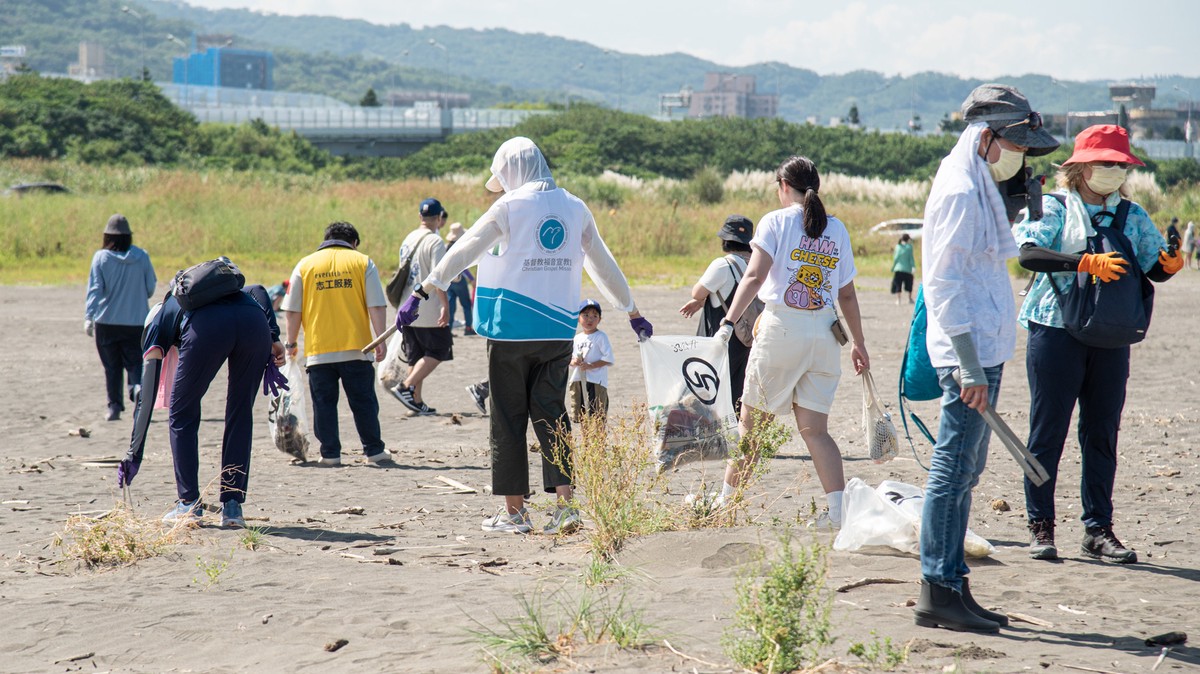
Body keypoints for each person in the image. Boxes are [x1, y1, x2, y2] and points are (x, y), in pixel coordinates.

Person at [394, 136, 652, 535]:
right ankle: (566, 509)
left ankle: (515, 514)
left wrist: (425, 288)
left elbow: (466, 249)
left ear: (512, 171)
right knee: (552, 415)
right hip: (556, 332)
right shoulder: (575, 207)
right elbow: (602, 263)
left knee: (507, 418)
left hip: (511, 331)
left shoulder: (509, 207)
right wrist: (630, 309)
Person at [913, 84, 1058, 634]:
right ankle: (937, 586)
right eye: (1016, 144)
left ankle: (953, 581)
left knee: (967, 471)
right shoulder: (956, 189)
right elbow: (943, 282)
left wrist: (1024, 197)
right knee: (951, 470)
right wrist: (969, 365)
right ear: (986, 136)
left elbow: (992, 253)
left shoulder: (976, 182)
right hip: (965, 352)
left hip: (983, 348)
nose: (1020, 154)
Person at [1013, 124, 1182, 565]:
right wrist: (1082, 262)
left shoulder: (1133, 215)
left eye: (1120, 164)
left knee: (1102, 432)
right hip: (1054, 329)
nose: (1113, 170)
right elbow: (1028, 254)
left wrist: (1169, 265)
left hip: (1110, 333)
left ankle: (1097, 530)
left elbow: (1152, 268)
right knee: (1047, 431)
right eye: (1105, 162)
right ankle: (1040, 524)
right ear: (1080, 166)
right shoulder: (1052, 206)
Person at [714, 155, 869, 529]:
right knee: (816, 430)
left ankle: (725, 505)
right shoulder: (837, 229)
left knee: (752, 427)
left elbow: (753, 276)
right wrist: (859, 345)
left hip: (783, 328)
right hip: (825, 335)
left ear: (783, 186)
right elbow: (846, 294)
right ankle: (837, 514)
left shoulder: (775, 221)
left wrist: (728, 321)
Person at [143, 269, 285, 528]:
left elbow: (148, 384)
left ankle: (188, 505)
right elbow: (260, 291)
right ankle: (232, 507)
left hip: (206, 329)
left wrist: (134, 451)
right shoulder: (235, 290)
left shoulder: (162, 313)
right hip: (254, 324)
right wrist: (274, 337)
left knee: (181, 414)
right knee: (240, 412)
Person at [282, 222, 391, 466]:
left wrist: (290, 344)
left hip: (319, 351)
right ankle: (374, 452)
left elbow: (292, 310)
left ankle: (330, 454)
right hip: (358, 349)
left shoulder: (305, 264)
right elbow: (376, 304)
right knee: (364, 403)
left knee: (324, 405)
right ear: (354, 243)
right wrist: (380, 339)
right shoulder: (362, 262)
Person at [85, 214, 157, 421]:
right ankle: (137, 393)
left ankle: (114, 407)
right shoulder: (142, 256)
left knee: (112, 366)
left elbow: (96, 289)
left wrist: (89, 317)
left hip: (106, 321)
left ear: (107, 236)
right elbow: (150, 288)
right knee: (135, 363)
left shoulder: (100, 258)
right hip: (136, 321)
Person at [679, 215, 754, 413]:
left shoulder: (723, 265)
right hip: (749, 342)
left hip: (721, 340)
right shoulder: (758, 265)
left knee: (708, 399)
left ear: (725, 240)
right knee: (737, 398)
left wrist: (701, 299)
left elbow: (697, 292)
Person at [390, 198, 451, 415]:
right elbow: (439, 276)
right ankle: (405, 387)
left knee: (415, 355)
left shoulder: (409, 238)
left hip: (407, 305)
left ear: (420, 216)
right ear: (438, 218)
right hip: (427, 306)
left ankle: (414, 402)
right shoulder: (435, 241)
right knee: (439, 349)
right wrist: (445, 305)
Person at [568, 299, 613, 423]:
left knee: (597, 414)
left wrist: (590, 365)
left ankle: (599, 441)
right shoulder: (576, 338)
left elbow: (608, 359)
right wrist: (574, 361)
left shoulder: (601, 337)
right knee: (582, 415)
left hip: (596, 381)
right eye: (586, 315)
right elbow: (569, 360)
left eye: (594, 316)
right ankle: (587, 441)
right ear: (578, 318)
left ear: (599, 319)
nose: (590, 319)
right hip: (578, 380)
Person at [444, 222, 477, 336]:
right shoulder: (460, 247)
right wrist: (472, 279)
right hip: (459, 280)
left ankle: (449, 328)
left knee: (451, 305)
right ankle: (468, 328)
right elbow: (463, 267)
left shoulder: (445, 247)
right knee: (466, 305)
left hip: (448, 280)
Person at [890, 233, 916, 304]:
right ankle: (910, 298)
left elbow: (896, 258)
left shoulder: (898, 247)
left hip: (898, 268)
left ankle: (898, 299)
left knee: (898, 284)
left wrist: (893, 267)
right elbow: (911, 258)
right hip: (907, 269)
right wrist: (913, 267)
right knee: (909, 284)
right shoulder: (909, 247)